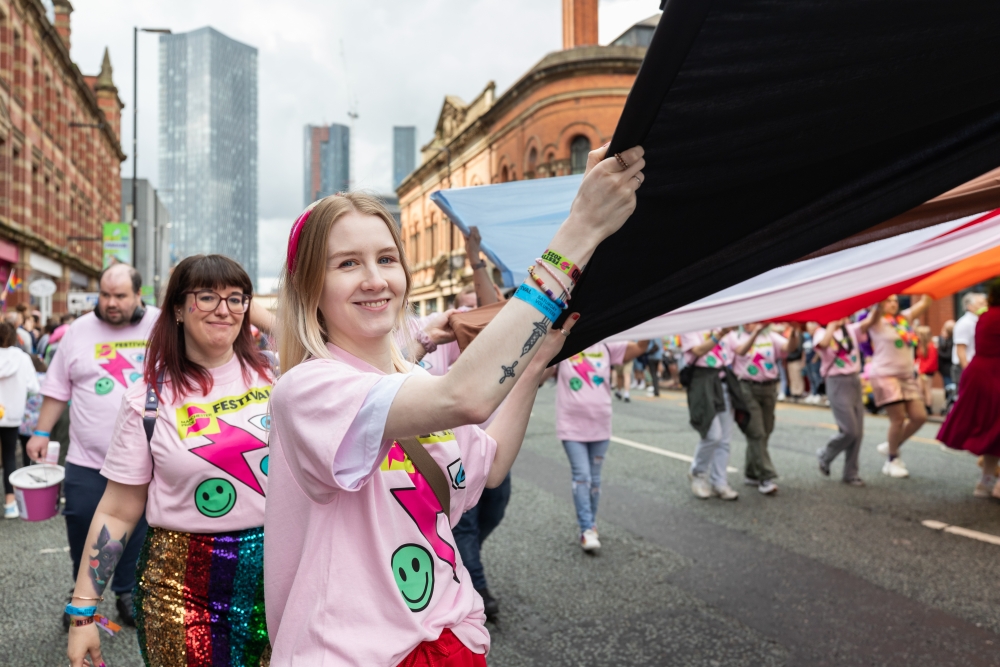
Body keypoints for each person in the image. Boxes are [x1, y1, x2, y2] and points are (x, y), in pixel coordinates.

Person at [264, 144, 643, 664]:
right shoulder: (307, 389)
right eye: (347, 263)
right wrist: (578, 229)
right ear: (310, 286)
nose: (375, 279)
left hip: (448, 641)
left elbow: (486, 464)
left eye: (386, 258)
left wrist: (532, 370)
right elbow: (465, 396)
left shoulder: (410, 381)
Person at [66, 255, 274, 667]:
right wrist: (82, 612)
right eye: (207, 297)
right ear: (177, 309)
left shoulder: (279, 375)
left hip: (279, 580)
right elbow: (118, 510)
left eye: (236, 299)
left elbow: (328, 343)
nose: (223, 309)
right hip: (180, 589)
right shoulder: (147, 399)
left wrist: (250, 307)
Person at [26, 263, 159, 629]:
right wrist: (40, 432)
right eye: (105, 295)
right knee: (83, 523)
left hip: (146, 459)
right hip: (87, 459)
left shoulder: (162, 325)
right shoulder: (77, 331)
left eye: (120, 296)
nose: (111, 303)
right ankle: (84, 597)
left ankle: (127, 592)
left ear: (138, 294)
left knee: (138, 528)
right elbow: (57, 388)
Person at [543, 337, 647, 551]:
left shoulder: (608, 344)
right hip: (571, 426)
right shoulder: (566, 343)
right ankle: (586, 529)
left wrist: (655, 318)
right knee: (582, 476)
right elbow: (541, 375)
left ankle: (591, 523)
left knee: (595, 480)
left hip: (600, 425)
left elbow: (640, 348)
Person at [859, 293, 932, 478]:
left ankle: (893, 443)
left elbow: (926, 301)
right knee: (898, 419)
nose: (892, 303)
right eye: (887, 300)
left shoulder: (904, 318)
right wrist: (877, 305)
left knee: (919, 417)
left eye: (894, 300)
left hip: (906, 376)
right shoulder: (875, 321)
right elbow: (869, 320)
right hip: (884, 375)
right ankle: (892, 459)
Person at [938, 282, 1000, 498]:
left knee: (994, 430)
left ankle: (986, 482)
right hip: (993, 375)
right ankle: (992, 484)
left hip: (981, 374)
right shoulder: (990, 317)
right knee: (996, 429)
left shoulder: (985, 316)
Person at [731, 323, 799, 495]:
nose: (750, 322)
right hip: (746, 387)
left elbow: (788, 348)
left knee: (766, 430)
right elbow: (741, 351)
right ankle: (765, 477)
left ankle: (751, 472)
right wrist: (754, 333)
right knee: (756, 431)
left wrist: (795, 332)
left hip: (768, 387)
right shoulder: (735, 336)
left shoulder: (770, 336)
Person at [681, 327, 746, 500]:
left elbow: (740, 350)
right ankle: (698, 473)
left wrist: (756, 333)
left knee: (725, 438)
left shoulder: (722, 326)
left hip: (723, 381)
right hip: (703, 382)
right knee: (712, 435)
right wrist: (720, 334)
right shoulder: (691, 327)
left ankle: (720, 482)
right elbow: (698, 350)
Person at [814, 318, 867, 485]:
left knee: (858, 432)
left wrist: (877, 307)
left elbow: (868, 323)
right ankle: (825, 454)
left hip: (854, 380)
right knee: (849, 430)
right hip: (836, 381)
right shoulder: (821, 331)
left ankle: (851, 473)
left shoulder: (850, 329)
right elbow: (823, 345)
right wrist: (832, 324)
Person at [0, 321, 40, 518]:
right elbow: (34, 387)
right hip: (13, 415)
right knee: (9, 457)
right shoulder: (22, 358)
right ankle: (10, 503)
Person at [952, 292, 986, 385]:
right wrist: (968, 372)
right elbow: (960, 350)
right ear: (970, 307)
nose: (985, 306)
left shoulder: (978, 321)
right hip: (965, 367)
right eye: (981, 304)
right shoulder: (965, 323)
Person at [915, 325, 938, 414]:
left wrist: (923, 370)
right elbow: (919, 358)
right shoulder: (921, 346)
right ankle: (922, 405)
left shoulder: (931, 346)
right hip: (921, 371)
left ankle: (928, 406)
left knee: (927, 389)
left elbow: (932, 361)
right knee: (920, 389)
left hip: (927, 372)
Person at [938, 319, 955, 394]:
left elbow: (949, 355)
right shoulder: (944, 340)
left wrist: (938, 352)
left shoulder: (952, 341)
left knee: (950, 389)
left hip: (949, 370)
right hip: (945, 370)